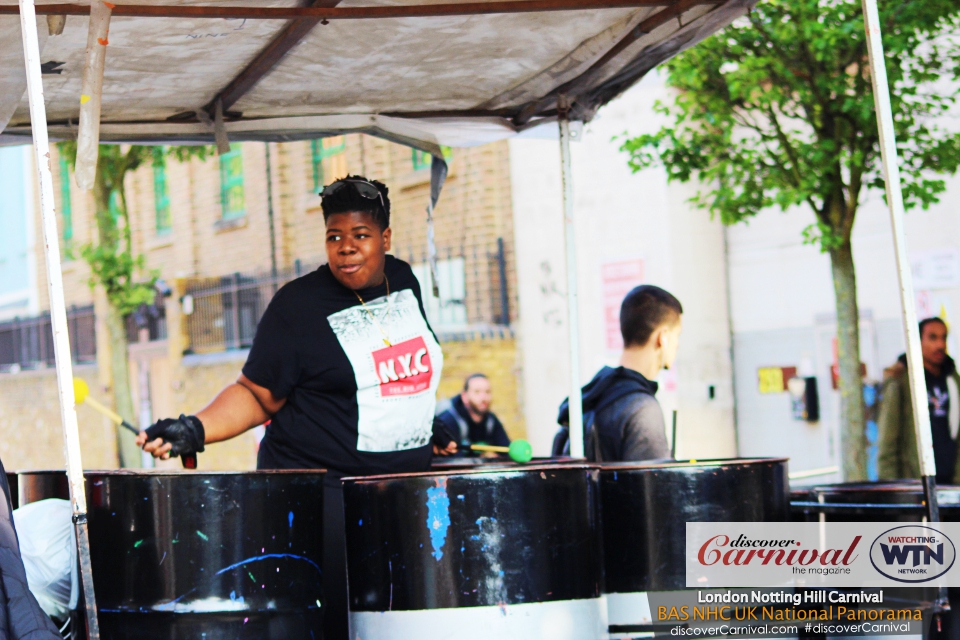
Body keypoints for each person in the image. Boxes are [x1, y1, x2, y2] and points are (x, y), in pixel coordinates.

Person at [136, 175, 456, 640]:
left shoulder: (404, 281)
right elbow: (256, 393)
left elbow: (391, 371)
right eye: (335, 237)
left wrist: (424, 419)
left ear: (385, 238)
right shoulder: (298, 307)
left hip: (398, 499)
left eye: (361, 236)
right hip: (324, 506)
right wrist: (195, 428)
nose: (346, 249)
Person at [554, 284, 682, 462]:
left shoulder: (591, 395)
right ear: (663, 337)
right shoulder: (643, 409)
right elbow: (654, 487)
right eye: (678, 335)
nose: (678, 345)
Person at [878, 317, 960, 484]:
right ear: (918, 341)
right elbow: (888, 442)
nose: (940, 345)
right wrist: (893, 490)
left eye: (943, 337)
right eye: (932, 337)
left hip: (951, 482)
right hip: (916, 484)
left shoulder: (953, 378)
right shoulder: (901, 381)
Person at [435, 373, 510, 455]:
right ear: (464, 396)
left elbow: (506, 449)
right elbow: (452, 459)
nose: (483, 397)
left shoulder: (490, 420)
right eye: (477, 392)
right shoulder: (449, 420)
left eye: (487, 392)